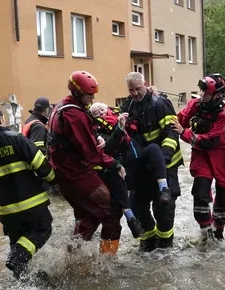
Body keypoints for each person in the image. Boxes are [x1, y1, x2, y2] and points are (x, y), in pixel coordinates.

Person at [47, 70, 124, 256]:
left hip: (64, 173)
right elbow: (91, 153)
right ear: (78, 92)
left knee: (88, 214)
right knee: (112, 212)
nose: (92, 98)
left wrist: (96, 138)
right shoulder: (75, 114)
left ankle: (73, 256)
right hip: (76, 173)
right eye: (89, 95)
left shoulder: (61, 107)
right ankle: (107, 260)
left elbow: (76, 140)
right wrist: (115, 164)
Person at [0, 107, 56, 279]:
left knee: (17, 241)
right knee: (43, 230)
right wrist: (53, 179)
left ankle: (20, 282)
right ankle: (18, 258)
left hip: (8, 211)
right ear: (1, 120)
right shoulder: (17, 139)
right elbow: (40, 163)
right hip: (32, 203)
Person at [120, 72, 183, 251]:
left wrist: (161, 161)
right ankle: (147, 241)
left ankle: (165, 246)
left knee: (164, 208)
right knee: (137, 205)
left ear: (145, 85)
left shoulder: (160, 104)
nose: (134, 93)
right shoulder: (127, 106)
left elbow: (172, 135)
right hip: (141, 167)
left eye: (137, 89)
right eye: (131, 90)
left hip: (165, 164)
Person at [172, 74, 225, 241]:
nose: (202, 96)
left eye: (206, 93)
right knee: (200, 196)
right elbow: (179, 120)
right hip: (202, 156)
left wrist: (183, 132)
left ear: (217, 95)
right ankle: (205, 232)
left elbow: (209, 141)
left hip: (221, 155)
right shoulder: (197, 105)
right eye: (201, 92)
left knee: (224, 199)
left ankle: (218, 231)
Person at [89, 102, 144, 238]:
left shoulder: (123, 118)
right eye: (96, 114)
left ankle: (132, 219)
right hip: (108, 171)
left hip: (129, 166)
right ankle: (130, 218)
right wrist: (119, 127)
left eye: (102, 110)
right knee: (110, 214)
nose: (101, 114)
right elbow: (108, 148)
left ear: (108, 109)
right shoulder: (96, 130)